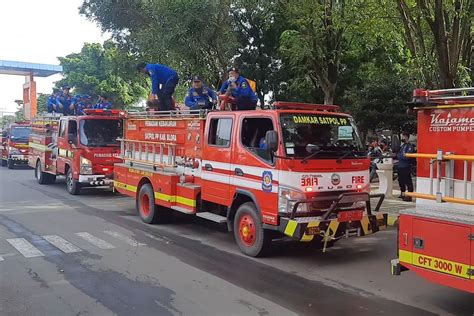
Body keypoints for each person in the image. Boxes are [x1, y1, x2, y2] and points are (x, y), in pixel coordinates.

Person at [397, 132, 415, 201]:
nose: (402, 138)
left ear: (407, 137)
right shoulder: (402, 146)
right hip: (400, 166)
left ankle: (409, 196)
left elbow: (407, 157)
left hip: (406, 166)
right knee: (400, 181)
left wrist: (401, 156)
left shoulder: (410, 146)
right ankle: (403, 193)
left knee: (408, 181)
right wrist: (401, 155)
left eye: (403, 136)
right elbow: (398, 155)